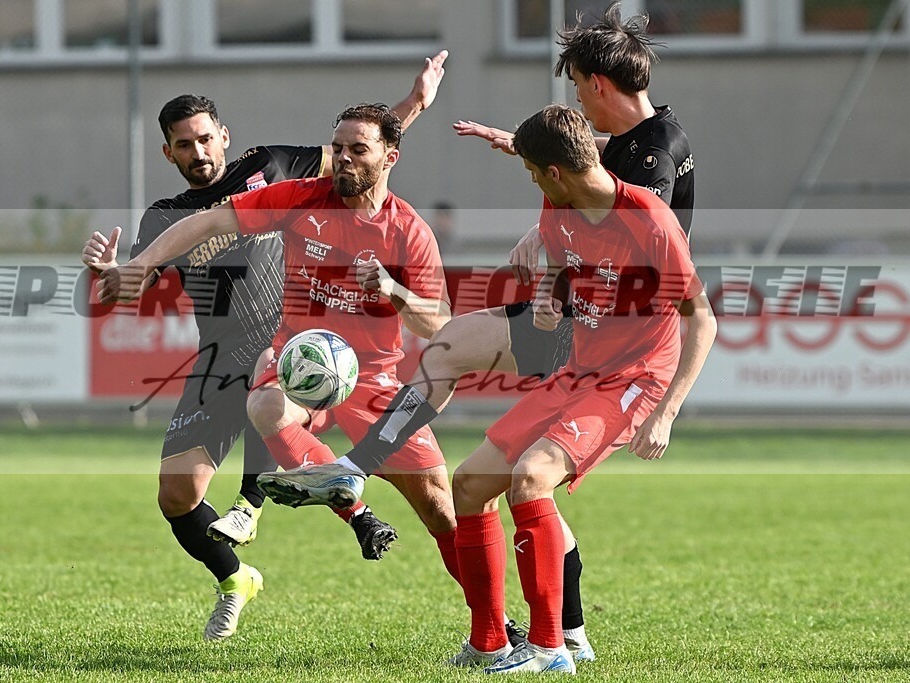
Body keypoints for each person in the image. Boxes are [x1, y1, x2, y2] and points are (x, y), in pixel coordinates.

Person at [257, 2, 692, 661]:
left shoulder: (649, 168)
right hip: (582, 325)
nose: (575, 97)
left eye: (574, 84)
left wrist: (562, 272)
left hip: (618, 344)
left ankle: (550, 635)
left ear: (596, 83)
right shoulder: (625, 146)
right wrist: (528, 163)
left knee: (519, 456)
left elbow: (633, 244)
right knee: (478, 456)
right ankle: (519, 633)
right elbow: (588, 170)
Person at [80, 51, 447, 641]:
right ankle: (235, 578)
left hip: (295, 345)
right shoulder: (165, 217)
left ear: (224, 136)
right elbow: (131, 287)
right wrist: (110, 276)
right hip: (220, 354)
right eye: (183, 145)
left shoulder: (274, 166)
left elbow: (362, 158)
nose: (198, 153)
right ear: (167, 153)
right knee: (176, 494)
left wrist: (415, 104)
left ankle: (264, 506)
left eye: (205, 139)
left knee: (271, 391)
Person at [448, 104, 715, 673]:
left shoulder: (649, 219)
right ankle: (489, 641)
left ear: (555, 171)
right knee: (468, 484)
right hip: (579, 371)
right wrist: (549, 296)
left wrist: (666, 413)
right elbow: (563, 263)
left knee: (531, 477)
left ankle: (549, 649)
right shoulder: (559, 202)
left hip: (634, 379)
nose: (534, 184)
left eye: (532, 172)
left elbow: (704, 319)